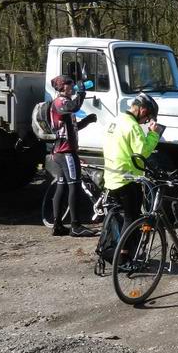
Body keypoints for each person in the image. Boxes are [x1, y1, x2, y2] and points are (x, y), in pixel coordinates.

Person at [102, 92, 163, 243]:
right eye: (147, 117)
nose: (146, 121)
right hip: (127, 179)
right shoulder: (133, 126)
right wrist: (154, 134)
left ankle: (114, 252)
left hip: (111, 178)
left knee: (116, 217)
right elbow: (142, 152)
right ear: (143, 110)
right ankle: (124, 257)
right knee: (131, 219)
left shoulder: (115, 121)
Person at [48, 75, 98, 237]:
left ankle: (58, 225)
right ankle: (76, 226)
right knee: (74, 186)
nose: (73, 87)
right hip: (66, 152)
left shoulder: (64, 104)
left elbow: (72, 127)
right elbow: (75, 106)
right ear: (63, 88)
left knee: (62, 186)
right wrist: (82, 92)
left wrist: (88, 121)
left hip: (61, 151)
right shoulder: (60, 102)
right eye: (70, 85)